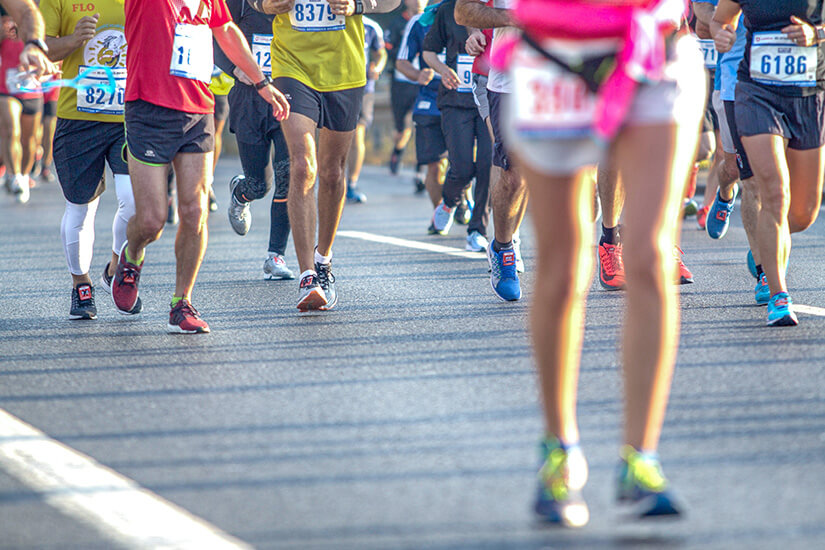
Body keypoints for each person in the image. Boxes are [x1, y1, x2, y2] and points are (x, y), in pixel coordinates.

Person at [503, 0, 702, 526]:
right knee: (564, 267)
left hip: (652, 50)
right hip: (553, 57)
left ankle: (641, 460)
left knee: (648, 255)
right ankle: (560, 452)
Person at [112, 0, 289, 333]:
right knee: (151, 220)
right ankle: (131, 255)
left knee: (195, 211)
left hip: (197, 110)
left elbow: (224, 30)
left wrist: (261, 83)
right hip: (148, 109)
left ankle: (182, 302)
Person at [248, 0, 400, 312]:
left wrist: (359, 4)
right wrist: (265, 4)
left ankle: (323, 260)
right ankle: (307, 276)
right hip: (292, 67)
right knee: (303, 165)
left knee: (332, 172)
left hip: (345, 71)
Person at [713, 0, 825, 326]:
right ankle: (778, 296)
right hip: (757, 94)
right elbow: (721, 21)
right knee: (774, 191)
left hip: (808, 96)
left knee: (803, 213)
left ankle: (769, 239)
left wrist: (815, 33)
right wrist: (723, 34)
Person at [40, 0, 136, 321]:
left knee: (134, 201)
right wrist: (73, 40)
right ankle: (81, 286)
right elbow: (44, 48)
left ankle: (114, 268)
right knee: (81, 208)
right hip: (78, 119)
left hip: (128, 118)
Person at [216, 0, 294, 280]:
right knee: (260, 185)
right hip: (249, 100)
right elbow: (216, 35)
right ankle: (241, 192)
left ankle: (276, 256)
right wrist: (234, 68)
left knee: (288, 177)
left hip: (288, 97)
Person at [457, 0, 528, 301]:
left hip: (567, 73)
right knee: (513, 176)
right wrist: (521, 18)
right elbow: (464, 11)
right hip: (509, 78)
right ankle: (504, 248)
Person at [422, 0, 492, 252]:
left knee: (487, 165)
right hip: (455, 100)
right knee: (462, 168)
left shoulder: (501, 7)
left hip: (489, 96)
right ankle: (449, 203)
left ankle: (477, 230)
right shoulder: (448, 9)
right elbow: (428, 52)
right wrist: (443, 70)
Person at [395, 3, 448, 208]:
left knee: (465, 164)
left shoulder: (473, 15)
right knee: (435, 166)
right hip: (431, 98)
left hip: (467, 98)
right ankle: (440, 212)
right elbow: (401, 62)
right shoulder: (419, 21)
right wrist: (418, 75)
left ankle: (461, 194)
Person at [0, 14, 43, 204]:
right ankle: (14, 174)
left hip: (32, 91)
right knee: (11, 131)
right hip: (6, 89)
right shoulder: (4, 24)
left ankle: (24, 175)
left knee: (30, 140)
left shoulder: (37, 23)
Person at [346, 15, 387, 203]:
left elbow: (381, 53)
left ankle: (351, 185)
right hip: (330, 85)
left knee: (357, 135)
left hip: (362, 88)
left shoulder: (371, 26)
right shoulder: (328, 20)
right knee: (327, 135)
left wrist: (377, 67)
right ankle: (329, 179)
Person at [384, 0, 426, 174]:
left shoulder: (432, 20)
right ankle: (398, 151)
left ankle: (421, 166)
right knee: (402, 128)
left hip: (424, 81)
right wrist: (408, 51)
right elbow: (388, 47)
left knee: (419, 122)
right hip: (401, 81)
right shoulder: (397, 23)